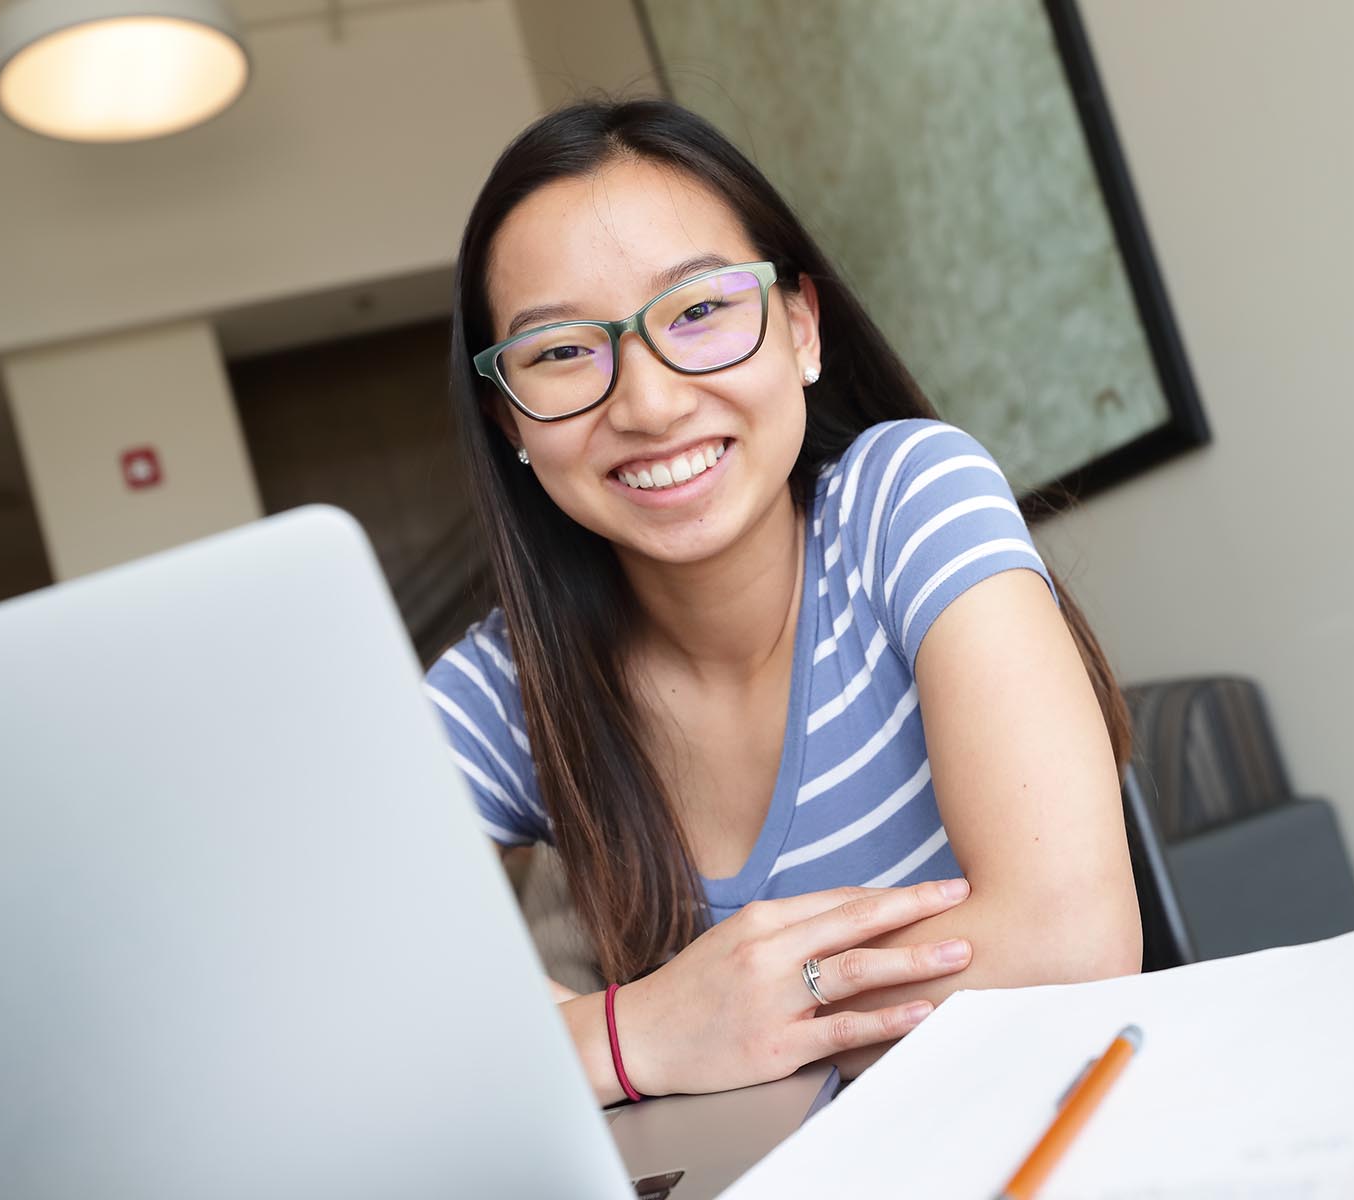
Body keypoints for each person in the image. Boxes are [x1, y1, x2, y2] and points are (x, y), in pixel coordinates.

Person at [426, 98, 1141, 1107]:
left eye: (701, 311)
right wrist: (638, 1038)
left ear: (800, 327)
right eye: (559, 352)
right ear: (511, 421)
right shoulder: (514, 683)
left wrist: (737, 1024)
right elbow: (310, 972)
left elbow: (1067, 936)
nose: (649, 402)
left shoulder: (906, 496)